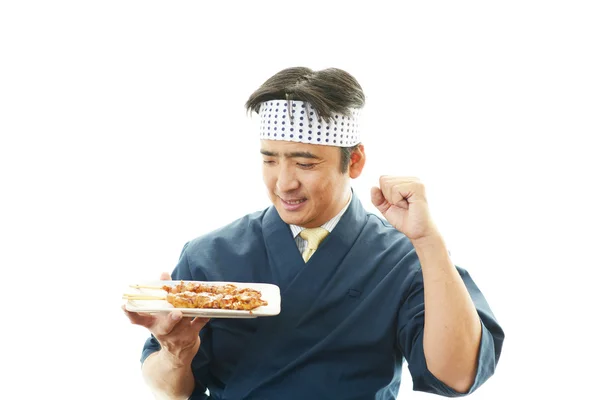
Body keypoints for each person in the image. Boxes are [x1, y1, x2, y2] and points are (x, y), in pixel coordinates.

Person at [124, 67, 505, 400]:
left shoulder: (403, 260)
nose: (284, 182)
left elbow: (457, 377)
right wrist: (176, 351)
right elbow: (169, 391)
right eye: (270, 159)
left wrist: (428, 241)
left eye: (305, 163)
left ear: (353, 161)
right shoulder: (211, 254)